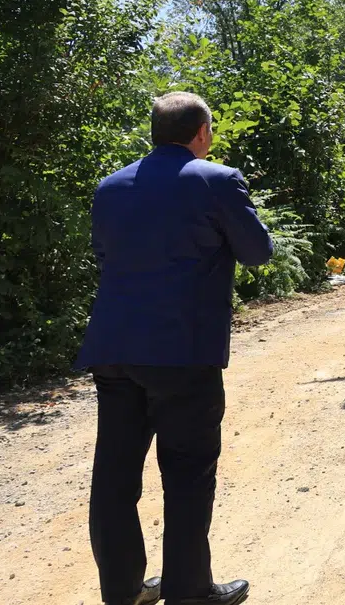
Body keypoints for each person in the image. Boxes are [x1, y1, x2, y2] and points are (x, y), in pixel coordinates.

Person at [75, 92, 272, 605]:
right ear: (201, 133)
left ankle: (122, 592)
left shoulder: (110, 186)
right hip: (183, 353)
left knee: (115, 475)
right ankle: (190, 592)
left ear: (155, 132)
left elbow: (104, 253)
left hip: (113, 349)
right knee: (186, 472)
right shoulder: (218, 180)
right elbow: (258, 253)